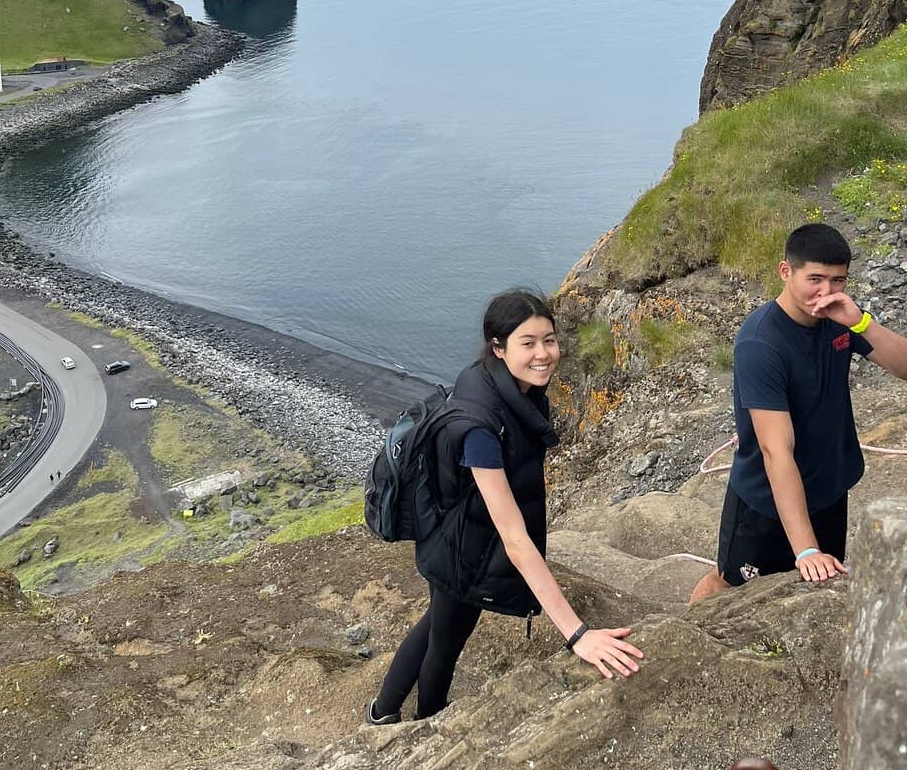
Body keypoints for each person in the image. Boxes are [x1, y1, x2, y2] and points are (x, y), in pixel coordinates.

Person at [367, 289, 643, 725]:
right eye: (527, 343)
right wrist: (578, 635)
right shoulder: (481, 427)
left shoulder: (502, 385)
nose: (543, 354)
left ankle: (381, 713)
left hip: (461, 535)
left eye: (549, 340)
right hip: (463, 548)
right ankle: (426, 724)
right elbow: (514, 539)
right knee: (446, 638)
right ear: (498, 347)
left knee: (438, 624)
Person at [691, 223, 907, 602]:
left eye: (838, 280)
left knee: (814, 590)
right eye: (816, 279)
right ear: (786, 272)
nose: (826, 293)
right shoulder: (761, 343)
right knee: (727, 585)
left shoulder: (840, 318)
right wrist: (805, 548)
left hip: (827, 490)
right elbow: (776, 450)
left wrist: (862, 323)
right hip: (766, 503)